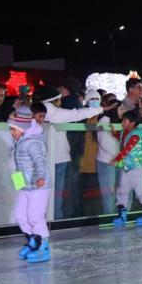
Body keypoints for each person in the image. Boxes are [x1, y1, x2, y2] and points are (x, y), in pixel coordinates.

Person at [32, 85, 103, 220]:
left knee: (39, 192)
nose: (61, 102)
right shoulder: (54, 112)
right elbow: (77, 114)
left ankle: (41, 219)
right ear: (53, 100)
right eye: (59, 100)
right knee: (57, 192)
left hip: (40, 159)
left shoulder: (34, 112)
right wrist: (98, 109)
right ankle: (54, 219)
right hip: (58, 158)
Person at [8, 106, 52, 263]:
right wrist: (18, 183)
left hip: (39, 186)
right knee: (20, 215)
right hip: (25, 185)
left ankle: (43, 247)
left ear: (23, 128)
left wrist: (40, 177)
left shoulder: (32, 142)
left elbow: (40, 162)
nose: (11, 132)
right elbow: (19, 165)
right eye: (10, 129)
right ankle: (33, 242)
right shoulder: (20, 141)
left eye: (13, 129)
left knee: (35, 216)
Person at [111, 110, 142, 227]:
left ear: (132, 122)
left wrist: (117, 159)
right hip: (127, 168)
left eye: (125, 120)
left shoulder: (136, 135)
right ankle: (122, 215)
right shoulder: (125, 132)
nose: (122, 123)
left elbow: (128, 148)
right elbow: (123, 141)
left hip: (138, 168)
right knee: (122, 191)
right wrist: (115, 134)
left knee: (140, 191)